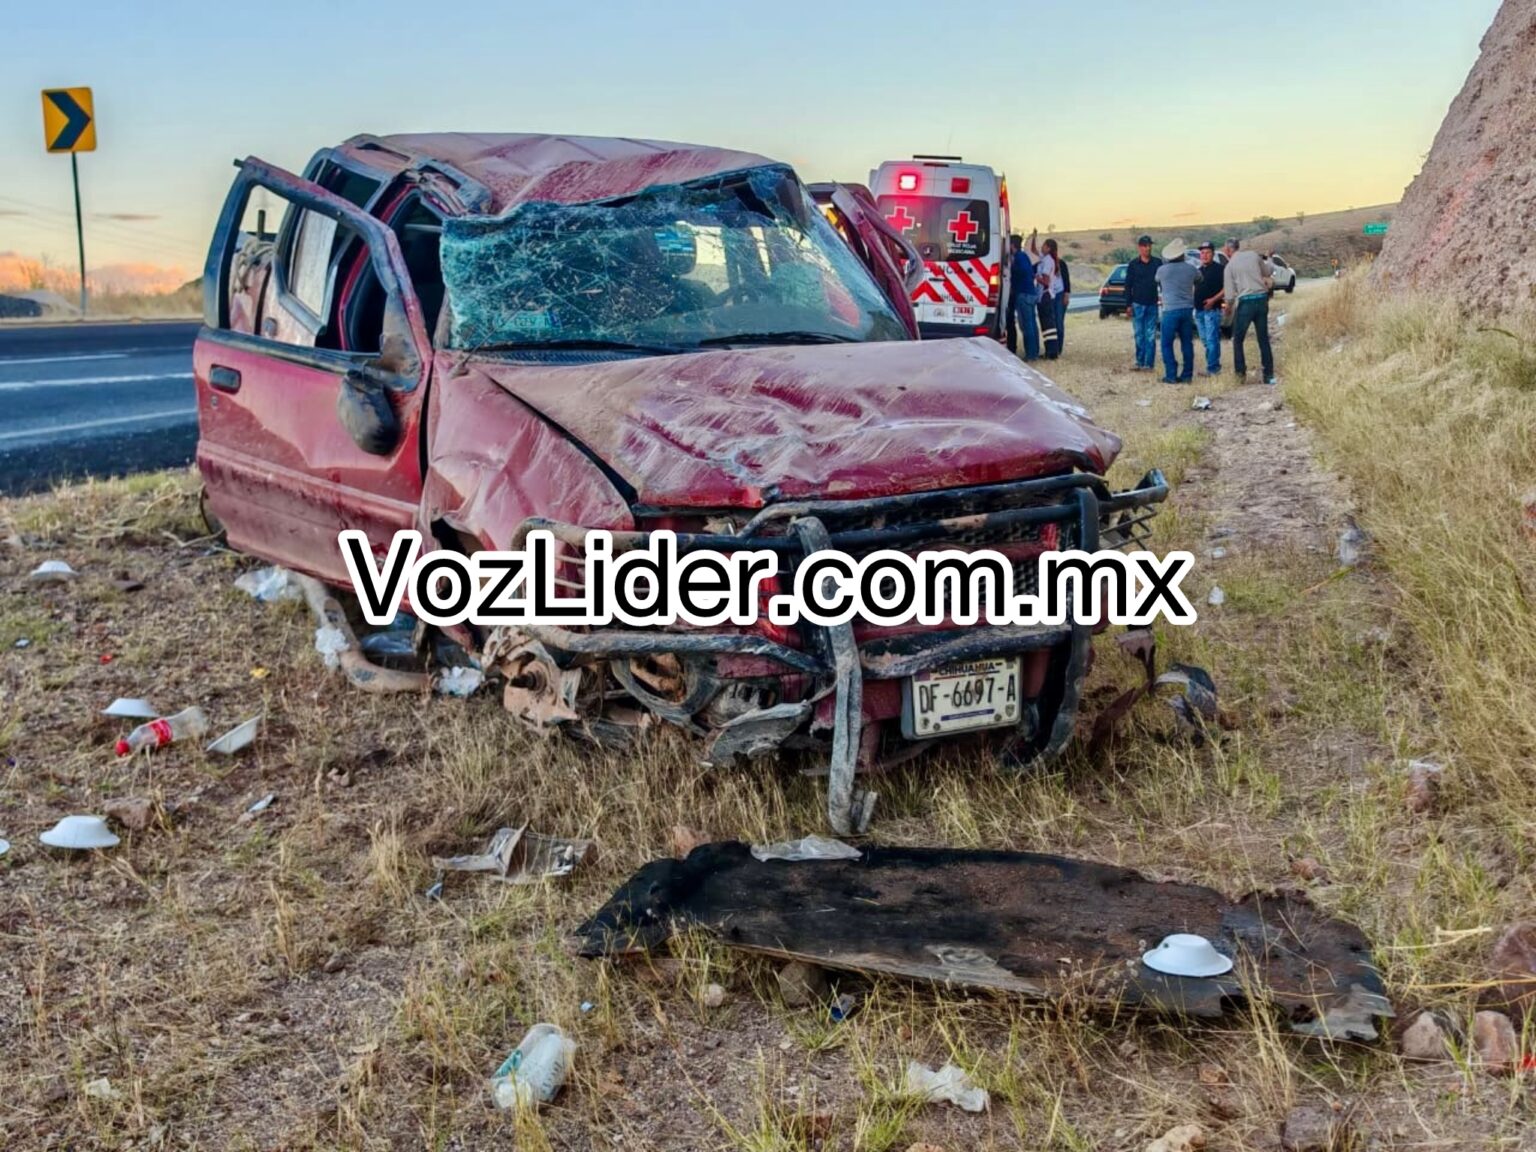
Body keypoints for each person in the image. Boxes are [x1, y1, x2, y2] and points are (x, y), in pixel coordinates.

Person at [1224, 242, 1277, 384]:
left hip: (1245, 302)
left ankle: (1240, 374)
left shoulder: (1229, 266)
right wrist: (1269, 258)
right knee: (1263, 338)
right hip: (1261, 300)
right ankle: (1269, 375)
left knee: (1238, 339)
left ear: (1228, 250)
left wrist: (1228, 308)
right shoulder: (1253, 255)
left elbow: (1229, 295)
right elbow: (1268, 272)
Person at [1154, 240, 1198, 383]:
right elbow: (1200, 279)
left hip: (1170, 310)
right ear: (1182, 254)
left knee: (1166, 343)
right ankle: (1187, 375)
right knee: (1187, 343)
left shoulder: (1162, 270)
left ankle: (1171, 374)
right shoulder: (1190, 269)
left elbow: (1156, 280)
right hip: (1186, 309)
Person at [1124, 234, 1161, 371]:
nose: (1148, 248)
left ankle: (1149, 364)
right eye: (1145, 245)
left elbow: (1163, 282)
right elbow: (1128, 285)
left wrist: (1163, 297)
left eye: (1149, 245)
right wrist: (1128, 305)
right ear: (1140, 248)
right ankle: (1139, 361)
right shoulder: (1133, 265)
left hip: (1152, 303)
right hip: (1137, 304)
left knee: (1150, 335)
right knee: (1139, 335)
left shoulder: (1157, 263)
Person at [1006, 233, 1041, 360]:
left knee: (1026, 326)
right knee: (1031, 324)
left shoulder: (1018, 258)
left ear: (1011, 245)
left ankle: (1031, 355)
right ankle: (1034, 352)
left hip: (1023, 294)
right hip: (1030, 293)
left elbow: (1021, 272)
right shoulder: (1024, 256)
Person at [1194, 241, 1225, 375]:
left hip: (1212, 310)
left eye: (1207, 253)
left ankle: (1213, 368)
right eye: (1202, 253)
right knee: (1205, 340)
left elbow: (1227, 288)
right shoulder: (1198, 270)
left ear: (1213, 254)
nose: (1204, 255)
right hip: (1199, 310)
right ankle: (1213, 364)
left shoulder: (1220, 269)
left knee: (1212, 339)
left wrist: (1213, 300)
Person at [1035, 238, 1061, 359]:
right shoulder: (1045, 258)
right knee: (1046, 325)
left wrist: (1035, 277)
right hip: (1045, 295)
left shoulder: (1047, 261)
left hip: (1046, 294)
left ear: (1049, 248)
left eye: (1044, 246)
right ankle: (1049, 351)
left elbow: (1046, 281)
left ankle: (1052, 352)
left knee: (1048, 325)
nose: (1042, 247)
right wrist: (1034, 237)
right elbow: (1033, 250)